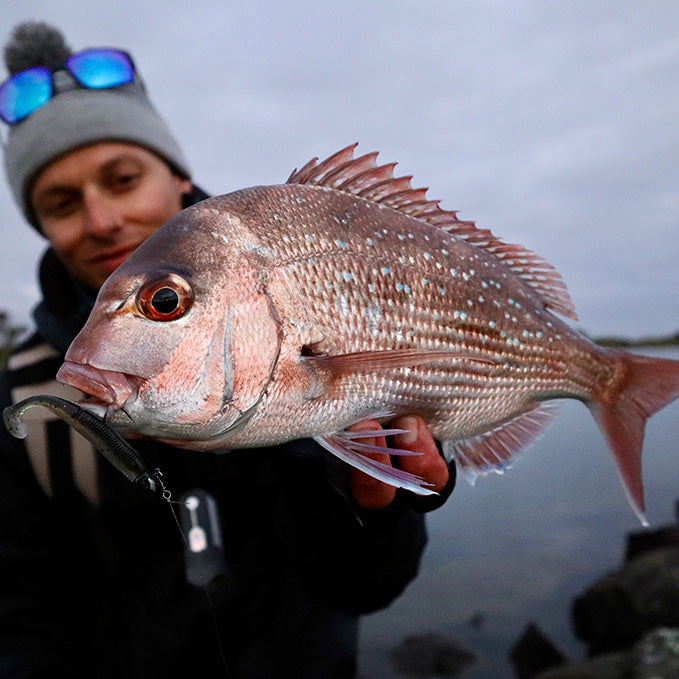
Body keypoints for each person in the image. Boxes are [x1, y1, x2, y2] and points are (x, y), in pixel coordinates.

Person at [0, 22, 455, 679]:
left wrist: (375, 502)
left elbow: (359, 588)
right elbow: (24, 622)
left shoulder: (297, 304)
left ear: (179, 176)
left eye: (123, 179)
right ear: (39, 224)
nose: (100, 219)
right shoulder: (24, 401)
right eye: (61, 203)